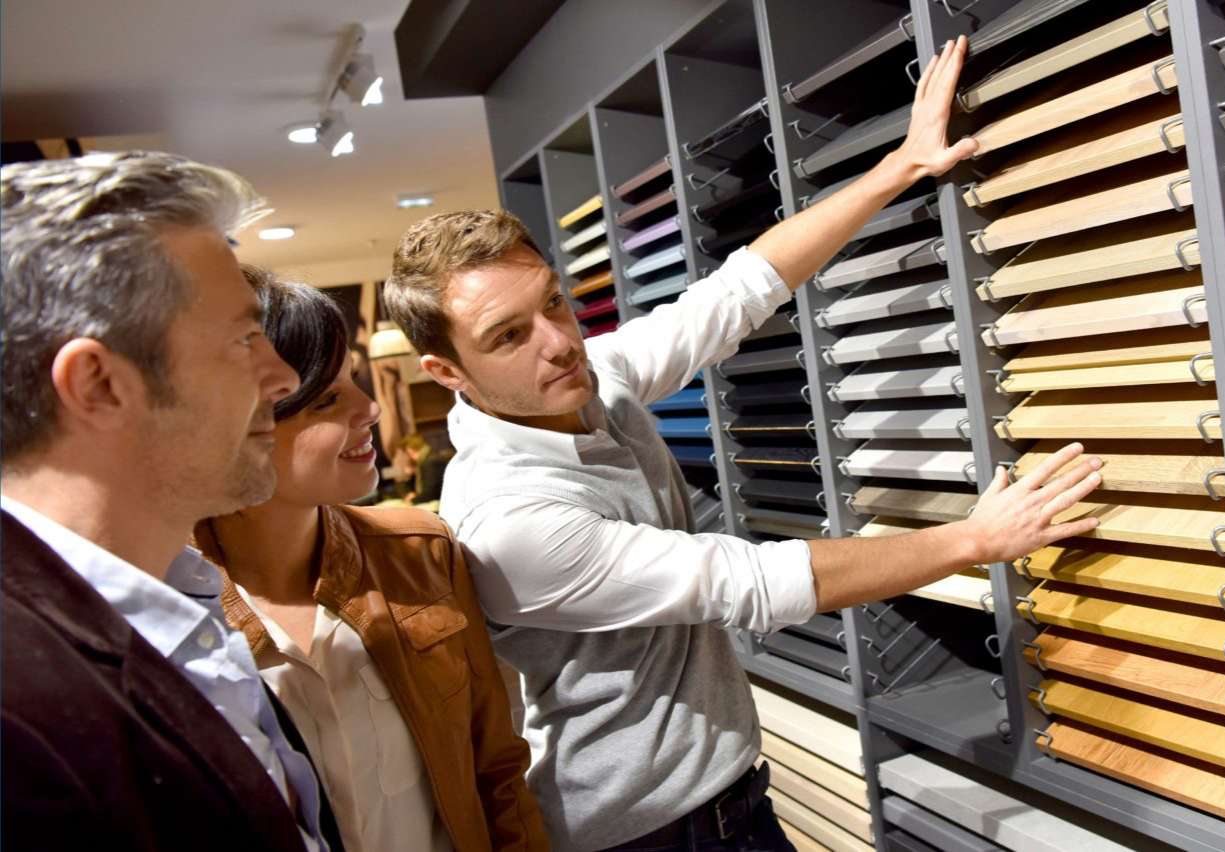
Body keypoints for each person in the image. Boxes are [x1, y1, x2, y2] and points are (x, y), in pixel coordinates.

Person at [384, 38, 1103, 851]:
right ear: (447, 370)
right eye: (508, 334)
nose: (557, 341)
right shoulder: (513, 519)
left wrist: (901, 165)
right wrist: (976, 538)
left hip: (723, 795)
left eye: (553, 303)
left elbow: (732, 297)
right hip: (638, 832)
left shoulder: (586, 378)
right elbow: (756, 581)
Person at [1, 151, 338, 851]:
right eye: (246, 338)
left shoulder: (177, 598)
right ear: (99, 384)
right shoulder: (23, 711)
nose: (280, 377)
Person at [193, 269, 548, 852]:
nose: (371, 408)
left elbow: (497, 771)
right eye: (328, 398)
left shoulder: (421, 551)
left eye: (354, 380)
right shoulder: (171, 608)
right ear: (242, 422)